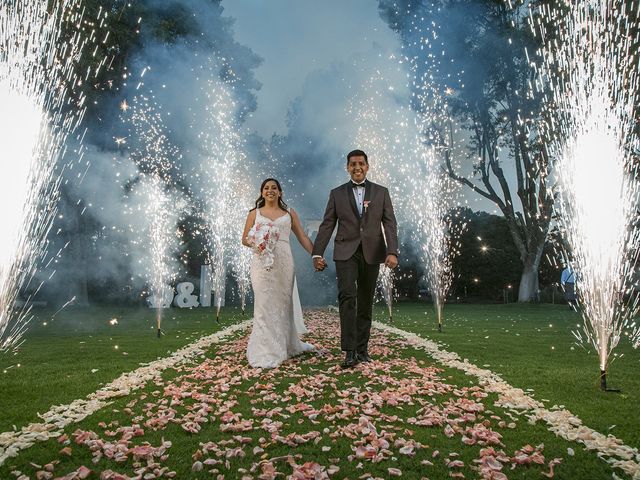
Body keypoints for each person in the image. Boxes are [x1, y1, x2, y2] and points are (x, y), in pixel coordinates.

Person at [312, 149, 398, 368]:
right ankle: (349, 352)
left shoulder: (381, 192)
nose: (357, 167)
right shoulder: (336, 193)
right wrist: (317, 252)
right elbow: (327, 224)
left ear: (367, 166)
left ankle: (362, 350)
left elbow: (389, 223)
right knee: (347, 297)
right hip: (345, 253)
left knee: (365, 302)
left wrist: (392, 251)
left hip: (373, 252)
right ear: (347, 167)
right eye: (352, 164)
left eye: (361, 163)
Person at [242, 178, 315, 368]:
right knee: (263, 302)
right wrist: (259, 241)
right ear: (261, 192)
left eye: (274, 188)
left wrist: (316, 255)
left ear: (280, 192)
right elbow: (244, 239)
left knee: (283, 303)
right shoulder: (254, 213)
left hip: (284, 262)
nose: (270, 191)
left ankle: (285, 344)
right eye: (266, 188)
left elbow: (302, 237)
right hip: (261, 263)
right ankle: (264, 350)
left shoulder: (289, 213)